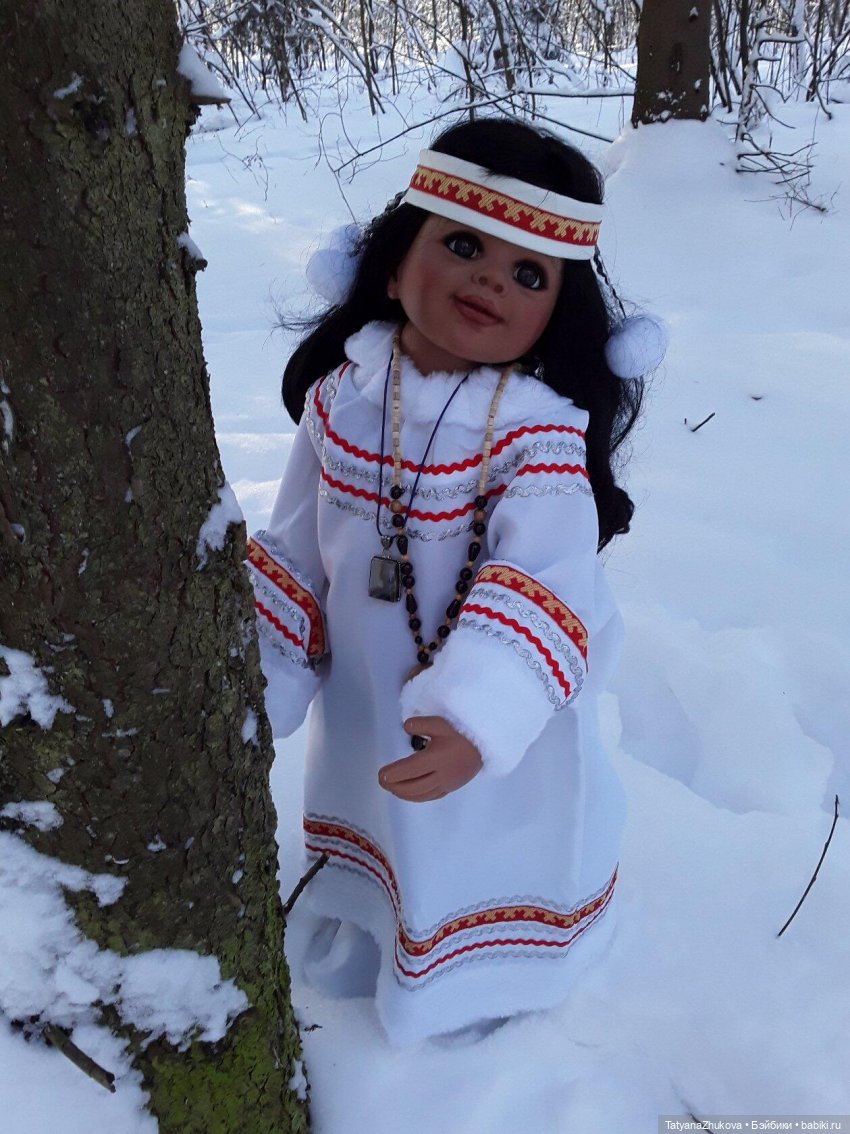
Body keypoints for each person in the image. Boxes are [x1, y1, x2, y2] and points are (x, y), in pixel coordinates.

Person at [246, 118, 660, 1048]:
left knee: (487, 833)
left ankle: (491, 982)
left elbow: (545, 584)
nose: (490, 281)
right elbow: (295, 544)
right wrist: (264, 672)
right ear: (394, 265)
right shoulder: (343, 398)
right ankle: (370, 928)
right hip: (366, 690)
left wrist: (479, 714)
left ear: (557, 312)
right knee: (374, 804)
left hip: (497, 722)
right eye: (464, 246)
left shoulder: (536, 440)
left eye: (529, 274)